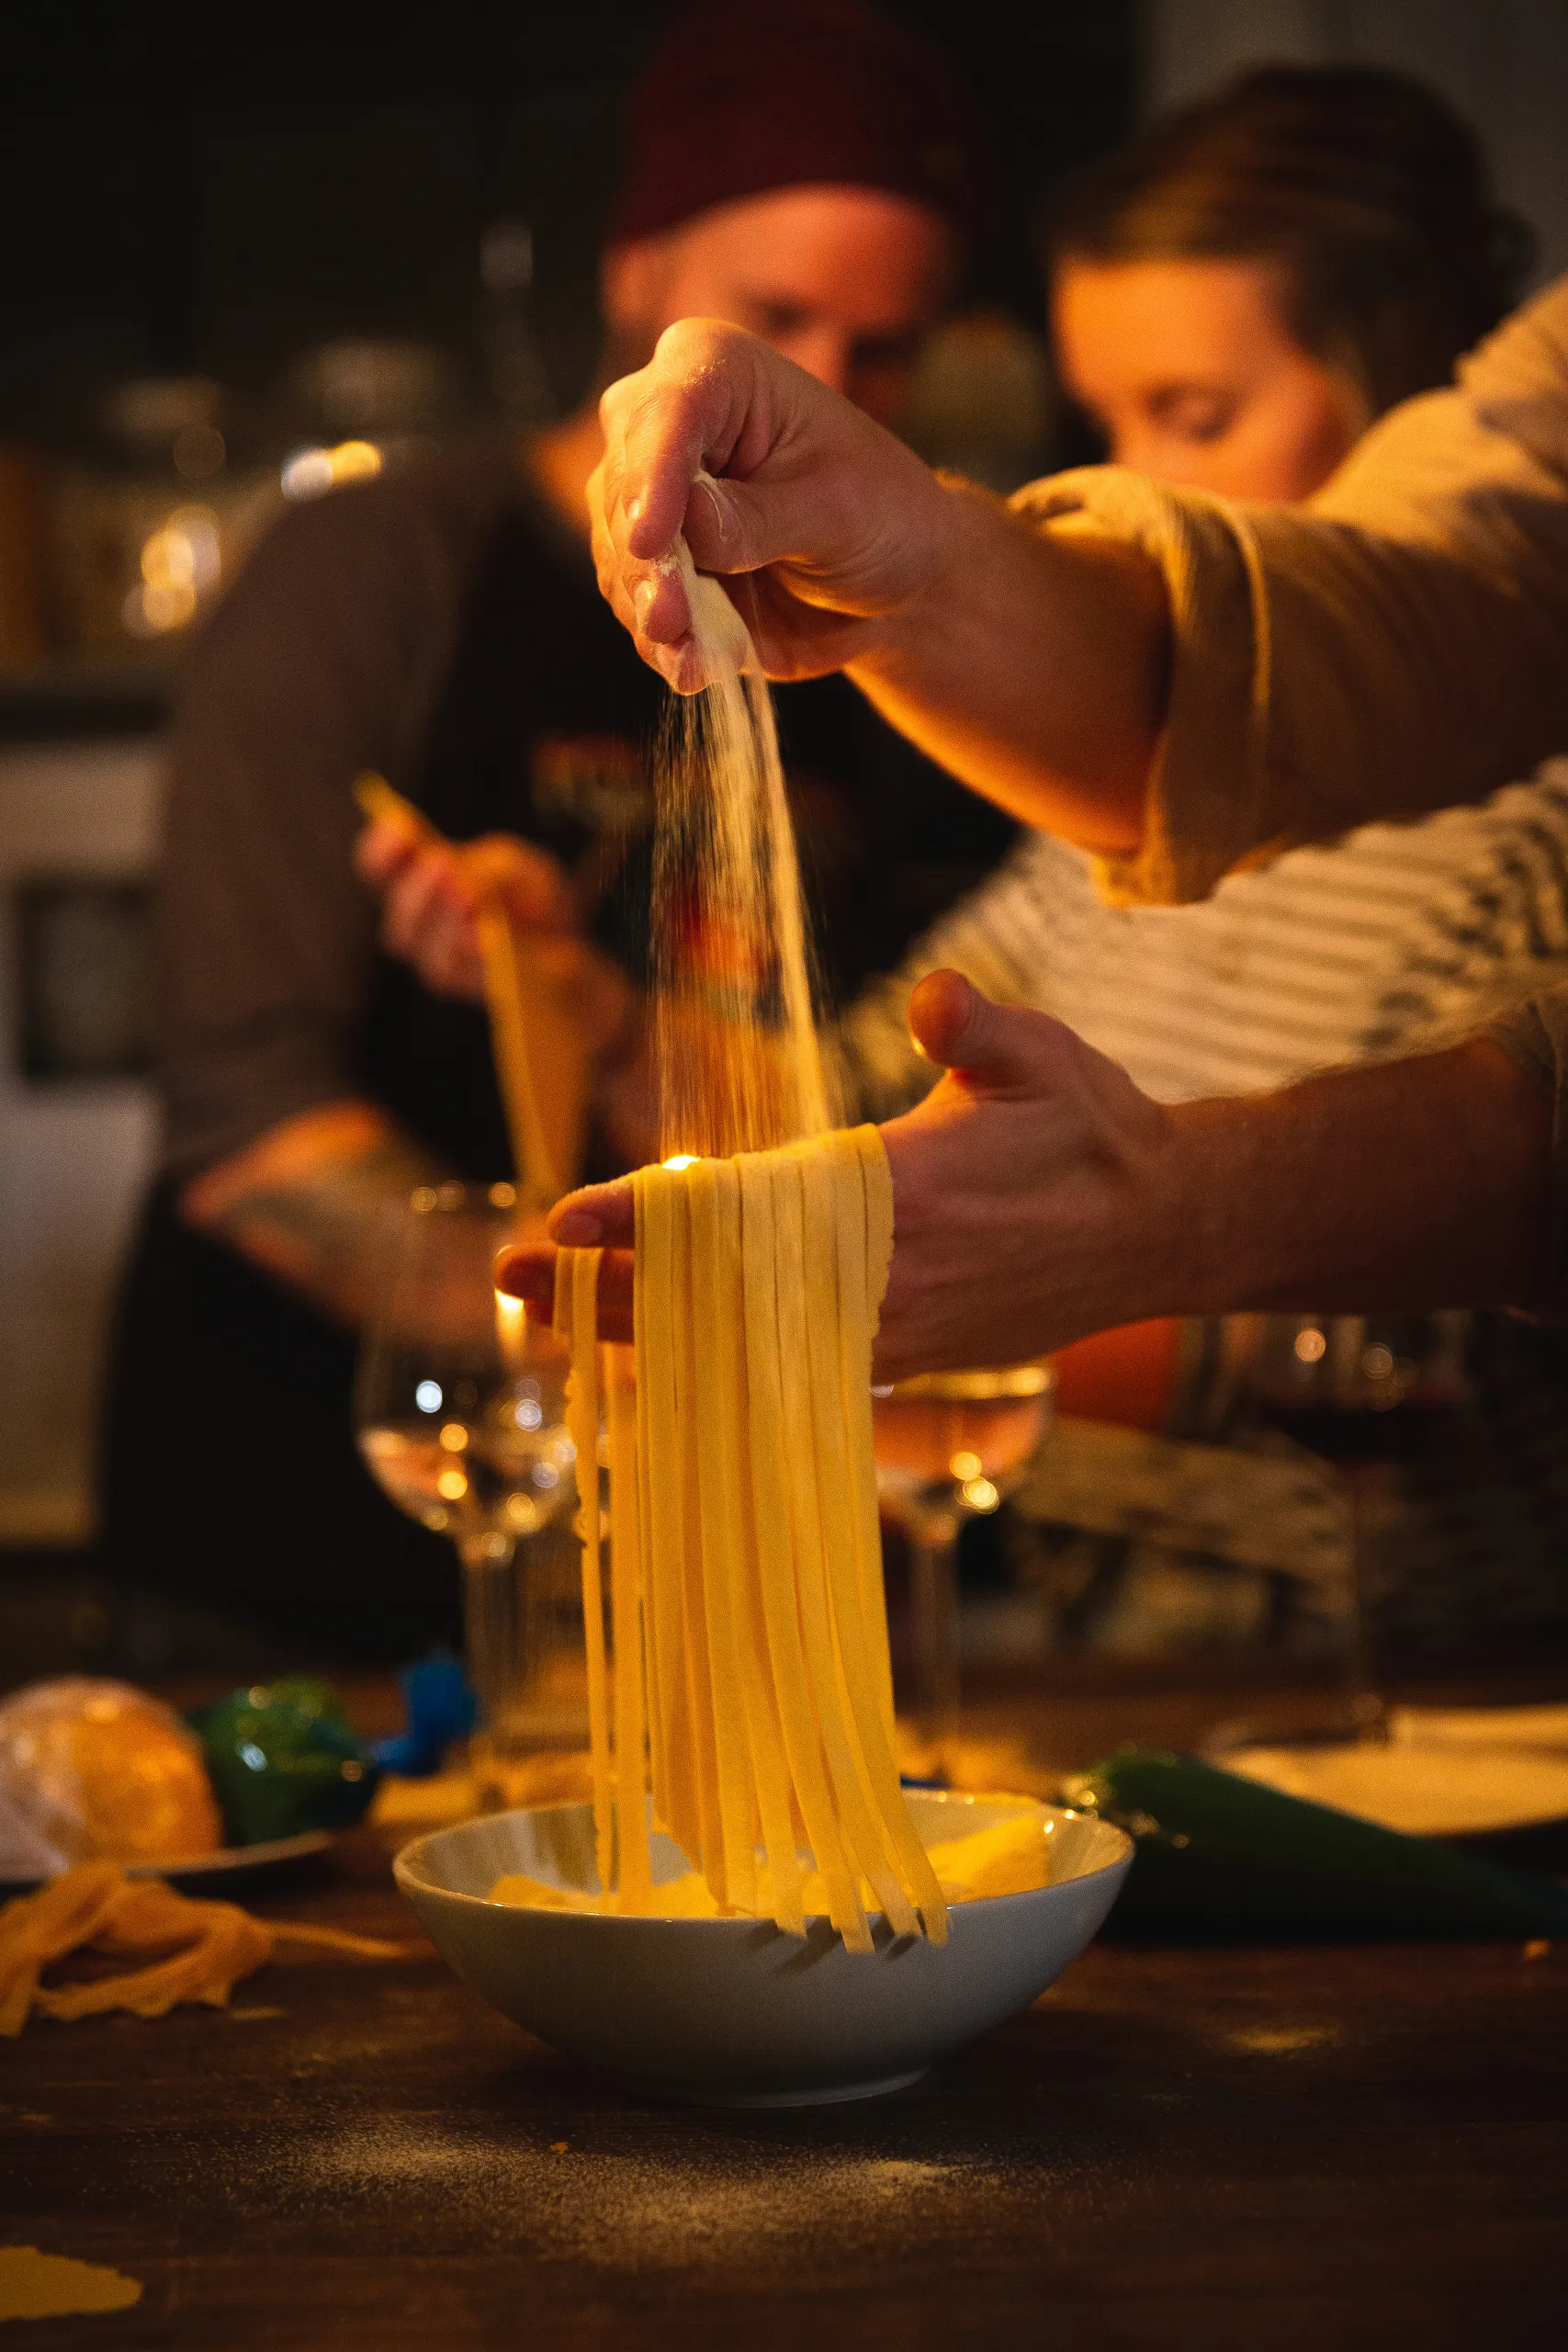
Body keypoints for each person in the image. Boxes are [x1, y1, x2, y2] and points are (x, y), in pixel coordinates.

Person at [101, 0, 998, 1657]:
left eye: (884, 347)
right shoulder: (372, 573)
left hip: (715, 1546)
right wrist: (641, 1365)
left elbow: (848, 1076)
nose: (822, 388)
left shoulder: (887, 625)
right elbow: (248, 1122)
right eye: (773, 313)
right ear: (637, 273)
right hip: (319, 1545)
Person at [497, 259, 1568, 1369]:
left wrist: (1116, 1239)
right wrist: (607, 1026)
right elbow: (854, 1096)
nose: (1137, 485)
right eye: (1103, 420)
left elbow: (1463, 1365)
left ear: (1393, 410)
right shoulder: (1099, 844)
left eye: (1196, 417)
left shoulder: (1523, 844)